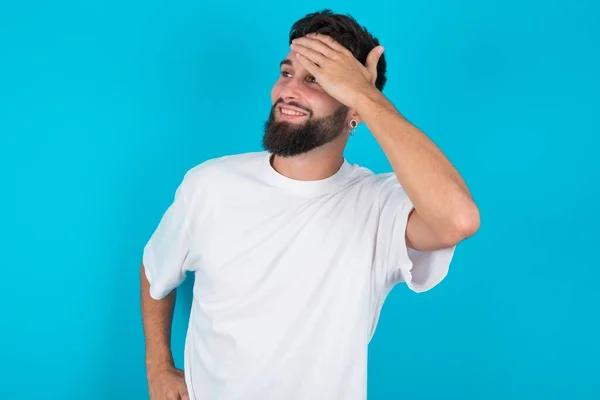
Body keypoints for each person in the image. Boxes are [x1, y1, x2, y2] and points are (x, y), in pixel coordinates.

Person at [140, 9, 480, 400]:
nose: (289, 91)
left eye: (316, 79)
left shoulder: (379, 206)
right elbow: (155, 268)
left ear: (355, 109)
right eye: (287, 73)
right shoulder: (209, 184)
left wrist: (366, 97)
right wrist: (158, 367)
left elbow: (457, 219)